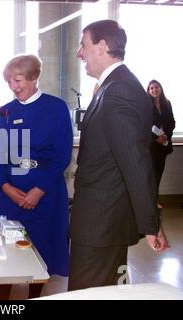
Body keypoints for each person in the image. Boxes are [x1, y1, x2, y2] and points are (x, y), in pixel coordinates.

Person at [69, 19, 169, 291]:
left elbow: (135, 162)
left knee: (86, 294)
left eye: (83, 45)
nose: (80, 53)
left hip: (101, 224)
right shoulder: (112, 86)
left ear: (102, 47)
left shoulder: (119, 90)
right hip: (101, 220)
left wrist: (150, 224)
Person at [0, 54, 73, 279]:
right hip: (10, 195)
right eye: (8, 82)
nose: (13, 87)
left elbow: (62, 156)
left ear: (34, 77)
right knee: (6, 257)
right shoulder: (6, 111)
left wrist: (38, 190)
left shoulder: (56, 108)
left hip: (45, 195)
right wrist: (5, 186)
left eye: (17, 80)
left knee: (43, 261)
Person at [147, 79, 175, 209]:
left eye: (156, 87)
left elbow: (172, 122)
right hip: (151, 146)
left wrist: (166, 135)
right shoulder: (145, 105)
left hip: (163, 145)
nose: (154, 90)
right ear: (148, 91)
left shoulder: (167, 104)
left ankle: (154, 200)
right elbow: (144, 125)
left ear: (160, 88)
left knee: (159, 173)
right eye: (151, 88)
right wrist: (155, 138)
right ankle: (150, 202)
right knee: (151, 175)